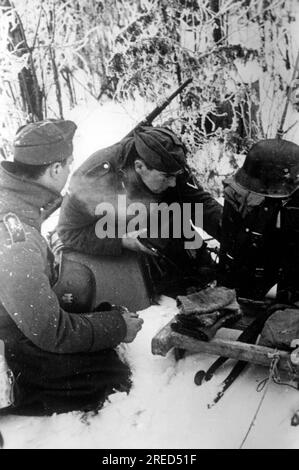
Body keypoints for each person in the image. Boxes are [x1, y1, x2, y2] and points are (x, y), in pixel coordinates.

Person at [0, 119, 143, 415]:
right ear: (54, 169)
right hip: (8, 337)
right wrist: (118, 327)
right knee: (105, 373)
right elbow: (50, 332)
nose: (69, 171)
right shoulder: (17, 235)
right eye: (68, 164)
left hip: (14, 311)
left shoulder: (12, 195)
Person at [57, 126, 223, 295]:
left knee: (207, 274)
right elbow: (68, 232)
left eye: (175, 176)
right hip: (118, 242)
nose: (173, 183)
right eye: (166, 177)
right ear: (140, 166)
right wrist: (120, 240)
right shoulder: (92, 179)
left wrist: (233, 231)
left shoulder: (166, 162)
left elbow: (198, 203)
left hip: (165, 225)